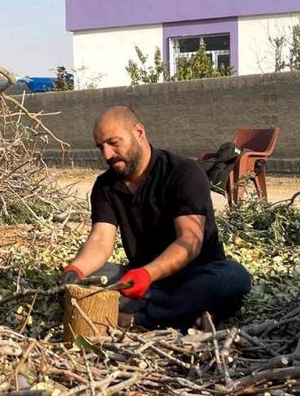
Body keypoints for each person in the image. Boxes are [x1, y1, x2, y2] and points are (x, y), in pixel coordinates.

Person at [62, 106, 251, 330]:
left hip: (193, 275)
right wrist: (75, 271)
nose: (107, 155)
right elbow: (100, 241)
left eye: (113, 143)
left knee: (234, 277)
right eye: (100, 147)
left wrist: (148, 274)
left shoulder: (183, 172)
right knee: (88, 278)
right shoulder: (106, 186)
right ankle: (183, 315)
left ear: (139, 133)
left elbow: (189, 241)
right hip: (140, 279)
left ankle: (133, 317)